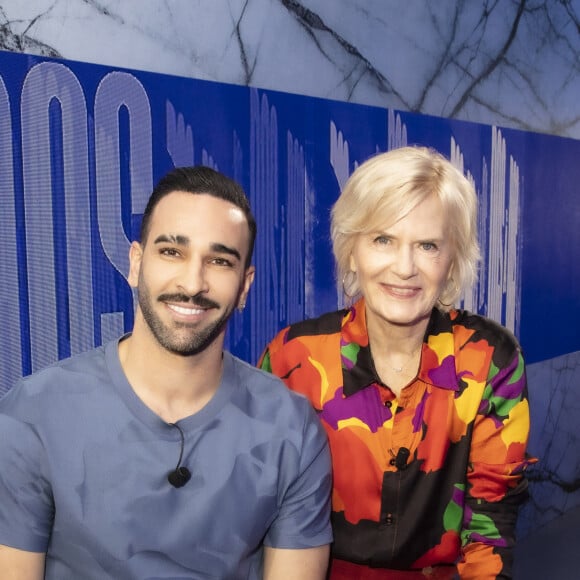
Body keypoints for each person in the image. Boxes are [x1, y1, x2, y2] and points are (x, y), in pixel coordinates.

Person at [0, 166, 332, 579]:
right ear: (136, 263)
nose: (193, 283)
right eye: (172, 252)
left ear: (245, 287)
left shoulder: (292, 430)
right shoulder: (32, 415)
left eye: (219, 261)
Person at [259, 146, 535, 579]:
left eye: (427, 245)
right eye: (383, 239)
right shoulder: (293, 357)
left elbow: (490, 534)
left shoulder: (490, 360)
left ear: (452, 261)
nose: (404, 267)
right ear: (352, 251)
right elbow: (259, 512)